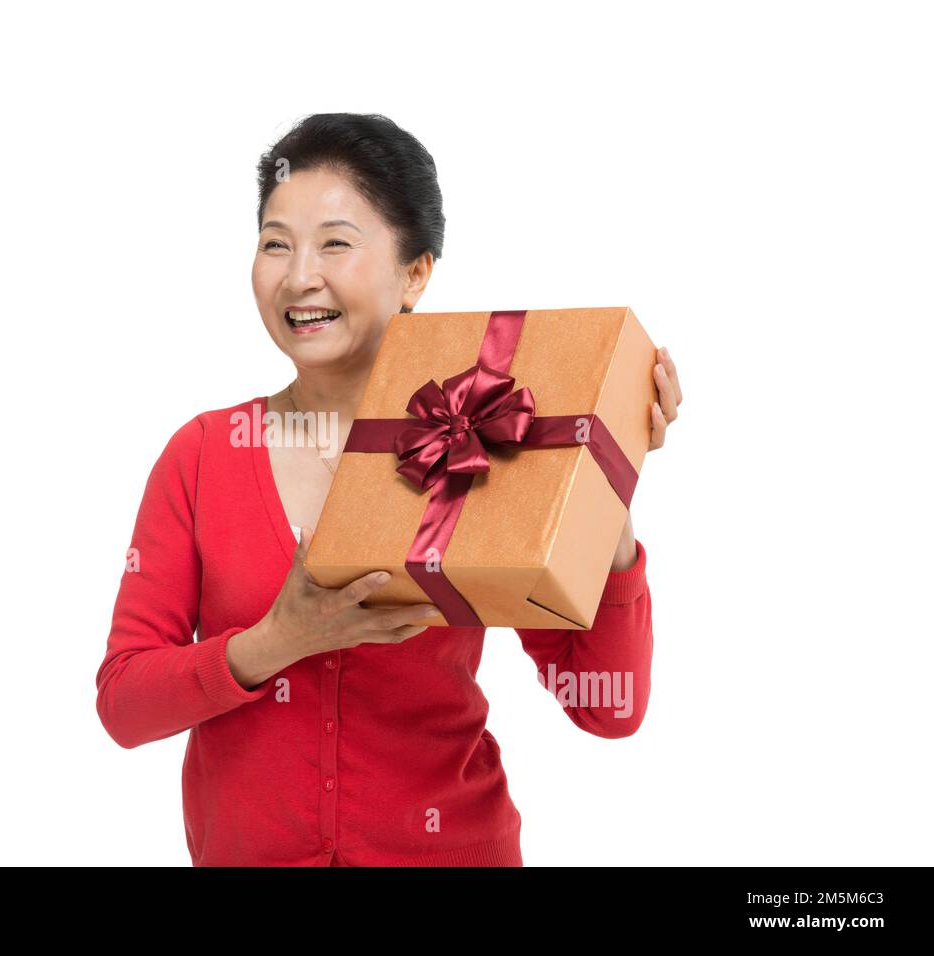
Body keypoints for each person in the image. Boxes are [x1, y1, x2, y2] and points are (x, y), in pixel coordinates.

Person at [96, 113, 683, 866]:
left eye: (336, 242)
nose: (299, 274)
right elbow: (124, 703)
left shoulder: (487, 432)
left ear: (416, 273)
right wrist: (276, 643)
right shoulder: (203, 455)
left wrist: (608, 481)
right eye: (276, 242)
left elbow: (608, 708)